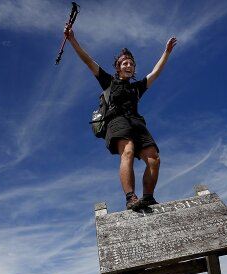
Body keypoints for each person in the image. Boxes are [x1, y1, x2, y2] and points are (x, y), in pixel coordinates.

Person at [64, 24, 176, 210]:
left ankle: (148, 198)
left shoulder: (137, 87)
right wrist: (72, 39)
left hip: (137, 122)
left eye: (131, 63)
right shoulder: (109, 81)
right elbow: (88, 60)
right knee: (128, 151)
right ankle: (131, 197)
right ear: (118, 68)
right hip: (117, 121)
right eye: (125, 63)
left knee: (154, 158)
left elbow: (155, 72)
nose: (129, 65)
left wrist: (167, 52)